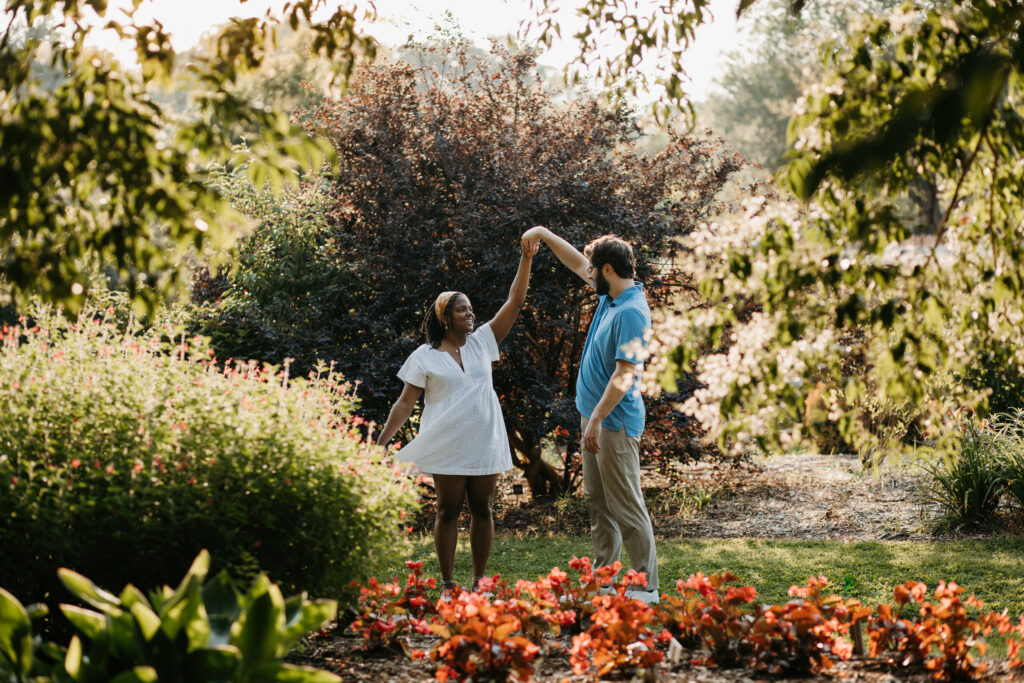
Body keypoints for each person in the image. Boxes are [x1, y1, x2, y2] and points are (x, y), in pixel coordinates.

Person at [375, 239, 539, 597]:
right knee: (447, 510)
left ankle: (480, 582)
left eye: (471, 309)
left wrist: (525, 259)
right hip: (447, 440)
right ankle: (449, 584)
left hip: (484, 439)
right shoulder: (424, 356)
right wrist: (381, 443)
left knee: (483, 507)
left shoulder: (483, 341)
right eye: (462, 310)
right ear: (445, 317)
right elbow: (404, 404)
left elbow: (515, 301)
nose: (470, 314)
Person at [521, 226, 659, 603]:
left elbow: (624, 375)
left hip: (613, 423)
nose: (589, 275)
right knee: (599, 504)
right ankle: (605, 582)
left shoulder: (630, 312)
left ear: (609, 270)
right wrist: (543, 235)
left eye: (595, 271)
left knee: (626, 507)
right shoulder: (611, 297)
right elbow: (577, 262)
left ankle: (646, 589)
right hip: (595, 419)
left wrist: (596, 420)